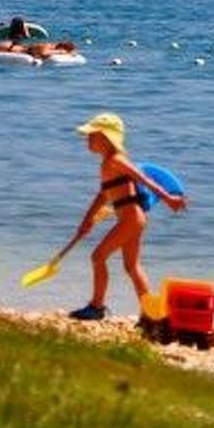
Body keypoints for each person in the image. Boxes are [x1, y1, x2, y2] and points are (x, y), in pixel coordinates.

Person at [64, 111, 185, 322]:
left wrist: (167, 198)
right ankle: (151, 315)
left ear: (106, 138)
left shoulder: (116, 160)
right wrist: (87, 220)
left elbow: (143, 178)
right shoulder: (107, 163)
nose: (87, 139)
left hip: (131, 219)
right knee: (132, 266)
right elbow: (104, 195)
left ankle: (96, 306)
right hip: (131, 219)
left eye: (92, 135)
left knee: (98, 257)